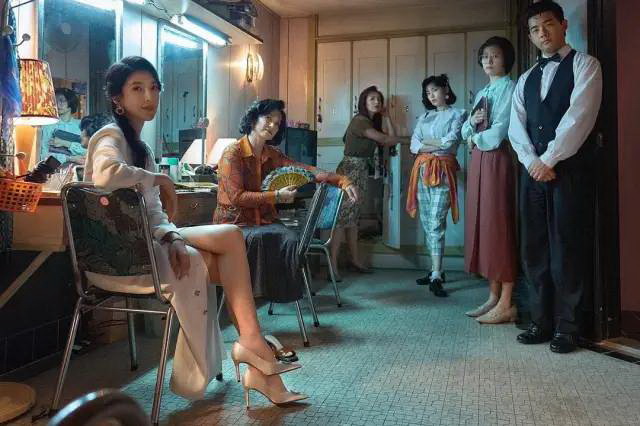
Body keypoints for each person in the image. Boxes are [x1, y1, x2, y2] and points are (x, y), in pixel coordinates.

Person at [85, 56, 306, 405]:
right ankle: (256, 354)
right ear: (118, 99)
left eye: (154, 88)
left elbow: (154, 214)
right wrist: (159, 179)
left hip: (147, 242)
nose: (149, 97)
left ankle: (253, 347)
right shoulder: (109, 136)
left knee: (231, 235)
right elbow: (104, 174)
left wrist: (172, 236)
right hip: (123, 257)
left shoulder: (142, 150)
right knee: (221, 254)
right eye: (137, 89)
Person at [508, 1, 602, 353]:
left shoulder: (586, 65)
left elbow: (580, 117)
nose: (542, 33)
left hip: (569, 170)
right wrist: (532, 161)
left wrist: (549, 159)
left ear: (563, 25)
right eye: (534, 29)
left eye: (547, 24)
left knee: (567, 245)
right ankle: (541, 320)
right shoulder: (525, 78)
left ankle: (569, 326)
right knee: (534, 247)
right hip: (532, 171)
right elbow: (516, 127)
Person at [214, 99, 358, 303]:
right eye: (268, 119)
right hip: (235, 224)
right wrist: (276, 196)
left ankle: (283, 296)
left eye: (277, 123)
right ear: (253, 119)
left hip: (264, 222)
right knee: (262, 240)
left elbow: (305, 170)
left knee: (289, 239)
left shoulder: (273, 154)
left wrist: (342, 180)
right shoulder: (232, 153)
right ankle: (249, 298)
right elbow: (237, 198)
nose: (273, 125)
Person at [461, 37, 518, 324]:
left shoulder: (510, 88)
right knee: (482, 223)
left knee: (498, 223)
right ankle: (493, 296)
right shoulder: (483, 92)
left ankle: (507, 301)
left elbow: (500, 130)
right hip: (479, 160)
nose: (489, 61)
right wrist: (471, 125)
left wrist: (473, 137)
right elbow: (464, 129)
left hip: (497, 157)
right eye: (485, 56)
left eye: (495, 56)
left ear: (506, 59)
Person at [330, 86, 402, 281]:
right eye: (372, 99)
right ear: (364, 102)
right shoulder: (360, 121)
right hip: (350, 172)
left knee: (353, 219)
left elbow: (391, 139)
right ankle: (332, 266)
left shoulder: (369, 123)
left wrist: (387, 117)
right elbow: (388, 139)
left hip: (359, 171)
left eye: (378, 99)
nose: (376, 102)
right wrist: (390, 131)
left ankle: (354, 261)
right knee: (342, 219)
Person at [407, 74, 467, 298]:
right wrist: (433, 145)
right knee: (426, 221)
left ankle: (436, 275)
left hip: (442, 171)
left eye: (435, 90)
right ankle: (436, 270)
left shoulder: (458, 114)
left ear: (446, 90)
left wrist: (426, 144)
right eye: (427, 92)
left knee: (436, 222)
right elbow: (413, 145)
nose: (431, 95)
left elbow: (450, 143)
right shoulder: (424, 117)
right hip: (422, 170)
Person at [40, 88, 84, 165]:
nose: (57, 104)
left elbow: (88, 151)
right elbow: (43, 155)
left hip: (79, 168)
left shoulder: (81, 125)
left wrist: (66, 143)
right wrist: (69, 158)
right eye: (55, 101)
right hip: (54, 169)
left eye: (61, 101)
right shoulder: (48, 126)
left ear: (71, 102)